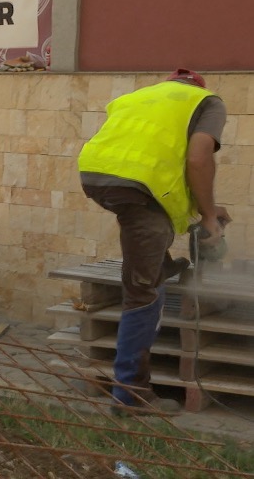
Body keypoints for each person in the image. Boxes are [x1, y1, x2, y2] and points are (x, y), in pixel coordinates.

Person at [78, 68, 230, 414]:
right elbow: (198, 157)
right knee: (142, 291)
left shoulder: (138, 98)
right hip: (139, 189)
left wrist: (205, 207)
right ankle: (131, 396)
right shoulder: (206, 102)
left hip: (97, 174)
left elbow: (153, 162)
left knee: (147, 233)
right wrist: (208, 217)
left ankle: (159, 264)